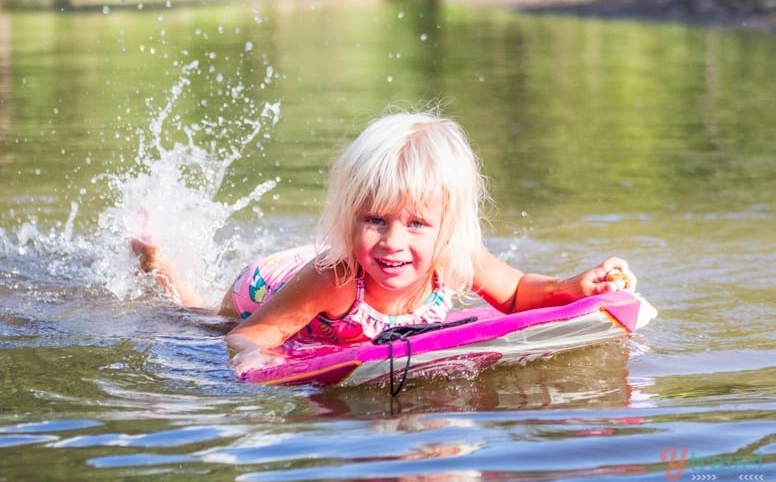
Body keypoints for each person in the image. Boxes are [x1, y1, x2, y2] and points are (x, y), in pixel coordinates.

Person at [133, 110, 636, 377]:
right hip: (270, 288)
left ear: (446, 227)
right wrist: (260, 360)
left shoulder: (454, 256)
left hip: (323, 287)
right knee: (195, 317)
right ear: (349, 216)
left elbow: (519, 292)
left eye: (416, 224)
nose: (393, 243)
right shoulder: (335, 279)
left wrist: (575, 286)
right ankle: (157, 262)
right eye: (374, 220)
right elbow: (246, 336)